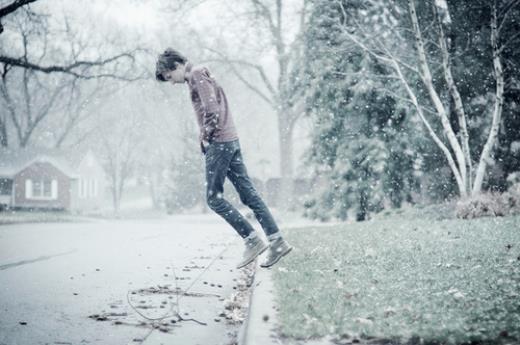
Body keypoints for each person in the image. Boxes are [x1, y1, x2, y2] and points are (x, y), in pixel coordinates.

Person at [155, 48, 292, 269]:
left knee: (214, 199)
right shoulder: (199, 75)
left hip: (219, 143)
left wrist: (207, 138)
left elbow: (212, 109)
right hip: (230, 140)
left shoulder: (197, 73)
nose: (172, 83)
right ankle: (277, 241)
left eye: (170, 77)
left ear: (176, 66)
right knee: (249, 195)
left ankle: (252, 240)